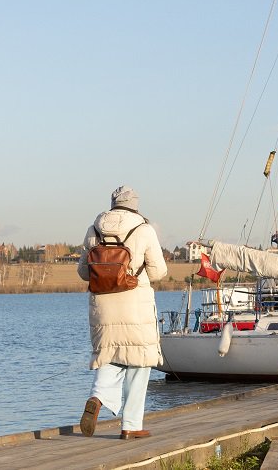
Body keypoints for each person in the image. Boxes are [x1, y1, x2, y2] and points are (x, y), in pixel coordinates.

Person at [77, 186, 167, 440]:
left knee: (110, 355)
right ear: (135, 204)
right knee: (139, 361)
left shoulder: (93, 229)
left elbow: (84, 272)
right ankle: (131, 425)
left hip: (102, 306)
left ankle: (97, 396)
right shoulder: (144, 229)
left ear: (113, 203)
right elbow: (159, 272)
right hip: (135, 303)